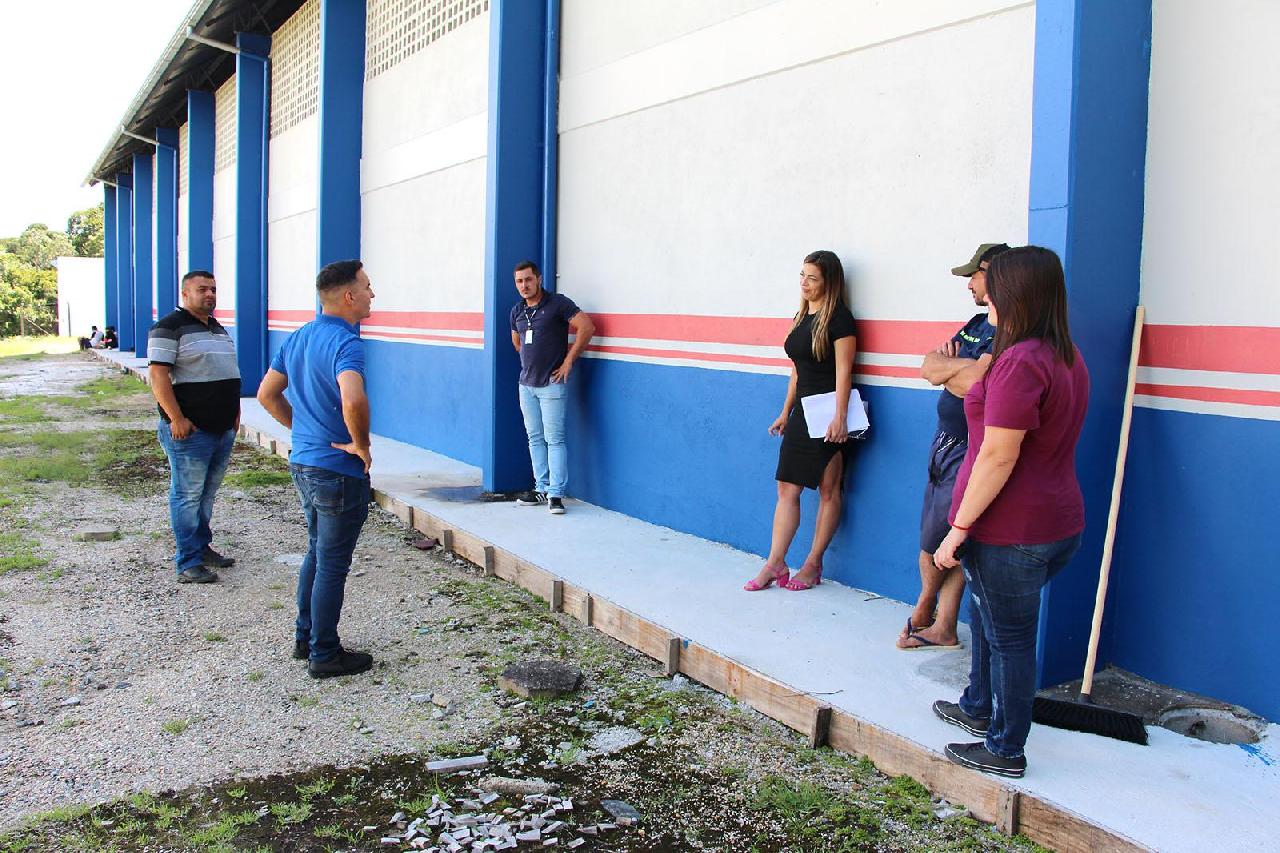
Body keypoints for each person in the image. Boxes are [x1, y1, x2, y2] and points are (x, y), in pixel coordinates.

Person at [930, 246, 1090, 778]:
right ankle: (979, 706)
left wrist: (958, 529)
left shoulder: (1020, 361)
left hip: (1012, 531)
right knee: (992, 619)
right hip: (1056, 522)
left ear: (1014, 293)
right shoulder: (1062, 354)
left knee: (1010, 640)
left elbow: (999, 456)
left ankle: (1005, 748)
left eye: (990, 283)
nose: (982, 291)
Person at [257, 259, 377, 679]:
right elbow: (353, 399)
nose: (371, 294)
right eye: (366, 286)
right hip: (337, 469)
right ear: (348, 296)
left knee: (316, 550)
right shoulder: (347, 343)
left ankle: (305, 638)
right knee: (331, 563)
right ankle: (324, 654)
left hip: (305, 462)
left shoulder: (299, 337)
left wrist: (302, 429)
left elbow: (267, 394)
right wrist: (360, 444)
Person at [898, 243, 1009, 650]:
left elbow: (980, 382)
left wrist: (957, 371)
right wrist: (960, 370)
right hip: (944, 443)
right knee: (939, 534)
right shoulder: (977, 324)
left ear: (993, 274)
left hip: (972, 448)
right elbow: (931, 367)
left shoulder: (1013, 329)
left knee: (942, 540)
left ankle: (925, 607)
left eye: (973, 277)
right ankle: (944, 625)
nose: (969, 286)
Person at [744, 250, 856, 592]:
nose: (805, 284)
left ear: (829, 282)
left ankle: (813, 563)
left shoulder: (840, 319)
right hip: (801, 415)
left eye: (813, 278)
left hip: (828, 414)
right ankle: (775, 562)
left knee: (827, 489)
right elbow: (796, 370)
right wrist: (784, 411)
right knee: (785, 488)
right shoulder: (802, 316)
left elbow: (844, 370)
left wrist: (839, 418)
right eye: (803, 276)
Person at [147, 271, 241, 584]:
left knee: (206, 495)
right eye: (202, 289)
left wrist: (235, 413)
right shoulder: (168, 328)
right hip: (191, 432)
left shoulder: (217, 328)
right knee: (187, 496)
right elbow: (159, 376)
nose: (210, 295)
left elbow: (228, 374)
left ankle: (201, 548)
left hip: (221, 429)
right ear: (186, 293)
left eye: (213, 289)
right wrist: (176, 418)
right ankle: (187, 561)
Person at [509, 260, 596, 515]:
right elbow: (518, 343)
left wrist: (569, 360)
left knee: (554, 440)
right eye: (519, 281)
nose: (524, 285)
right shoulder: (516, 311)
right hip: (526, 386)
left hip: (551, 385)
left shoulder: (558, 303)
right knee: (534, 438)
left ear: (538, 279)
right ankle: (541, 487)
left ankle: (556, 495)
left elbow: (587, 327)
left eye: (528, 279)